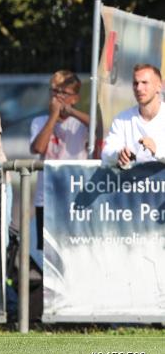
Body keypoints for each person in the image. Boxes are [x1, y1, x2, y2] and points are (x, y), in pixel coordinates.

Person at [29, 70, 90, 238]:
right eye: (54, 91)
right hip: (46, 197)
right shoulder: (39, 122)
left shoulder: (80, 124)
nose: (57, 96)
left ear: (75, 98)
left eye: (63, 92)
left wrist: (70, 111)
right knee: (46, 252)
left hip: (75, 197)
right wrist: (54, 115)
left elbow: (99, 127)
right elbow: (38, 148)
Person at [101, 63, 165, 168]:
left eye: (144, 82)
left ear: (159, 86)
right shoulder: (122, 119)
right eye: (135, 83)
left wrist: (157, 150)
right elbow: (106, 153)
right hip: (130, 183)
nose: (139, 88)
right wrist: (118, 153)